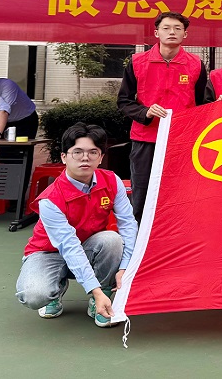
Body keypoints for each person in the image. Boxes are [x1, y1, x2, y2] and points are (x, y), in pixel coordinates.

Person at [15, 123, 136, 327]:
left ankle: (103, 294)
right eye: (77, 152)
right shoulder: (50, 200)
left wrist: (125, 267)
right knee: (34, 295)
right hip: (48, 252)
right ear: (64, 157)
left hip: (89, 246)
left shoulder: (112, 181)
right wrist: (94, 290)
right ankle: (57, 290)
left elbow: (128, 224)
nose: (85, 158)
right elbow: (69, 246)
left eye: (93, 152)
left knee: (112, 240)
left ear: (101, 157)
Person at [117, 12, 210, 223]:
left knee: (181, 191)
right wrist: (145, 112)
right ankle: (139, 236)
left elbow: (202, 104)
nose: (172, 32)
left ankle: (178, 234)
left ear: (185, 34)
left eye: (178, 28)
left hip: (182, 140)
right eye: (166, 28)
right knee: (142, 190)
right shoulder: (137, 62)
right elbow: (124, 101)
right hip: (145, 138)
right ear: (157, 32)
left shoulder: (195, 64)